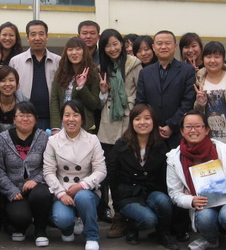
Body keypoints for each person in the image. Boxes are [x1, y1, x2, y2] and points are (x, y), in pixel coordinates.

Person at [166, 111, 226, 250]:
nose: (193, 130)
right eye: (188, 127)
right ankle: (211, 240)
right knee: (205, 218)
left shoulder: (224, 150)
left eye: (198, 126)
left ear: (207, 130)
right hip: (203, 204)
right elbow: (174, 193)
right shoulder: (174, 158)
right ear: (182, 131)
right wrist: (191, 200)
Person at [107, 104, 178, 249]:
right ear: (132, 122)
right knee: (148, 220)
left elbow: (164, 177)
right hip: (127, 195)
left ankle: (163, 234)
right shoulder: (121, 146)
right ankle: (131, 226)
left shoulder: (160, 146)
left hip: (151, 192)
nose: (142, 122)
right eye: (137, 119)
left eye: (147, 118)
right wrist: (116, 205)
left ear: (154, 122)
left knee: (164, 202)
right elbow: (112, 176)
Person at [43, 100, 107, 250]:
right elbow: (48, 171)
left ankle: (91, 235)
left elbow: (101, 170)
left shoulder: (92, 140)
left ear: (82, 119)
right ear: (62, 118)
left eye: (75, 115)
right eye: (67, 115)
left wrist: (82, 185)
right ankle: (68, 228)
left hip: (86, 191)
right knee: (62, 219)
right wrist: (60, 194)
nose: (71, 119)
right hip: (63, 190)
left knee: (83, 197)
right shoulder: (52, 141)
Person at [97, 29, 142, 237]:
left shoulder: (133, 64)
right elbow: (98, 102)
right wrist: (103, 92)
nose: (112, 48)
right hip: (108, 124)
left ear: (122, 44)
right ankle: (115, 214)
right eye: (108, 45)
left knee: (129, 171)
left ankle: (128, 216)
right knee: (110, 171)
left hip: (129, 122)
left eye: (115, 44)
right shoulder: (102, 67)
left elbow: (141, 93)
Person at [0, 101, 52, 246]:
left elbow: (49, 165)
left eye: (29, 115)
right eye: (21, 115)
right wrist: (11, 190)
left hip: (38, 186)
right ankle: (19, 226)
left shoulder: (44, 138)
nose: (25, 119)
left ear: (35, 119)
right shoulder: (2, 139)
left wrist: (36, 180)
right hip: (15, 190)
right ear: (14, 119)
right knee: (20, 217)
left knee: (42, 195)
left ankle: (40, 230)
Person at [136, 30, 196, 149]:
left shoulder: (187, 70)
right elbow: (141, 103)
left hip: (178, 133)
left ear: (175, 46)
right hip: (151, 132)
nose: (163, 47)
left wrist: (171, 126)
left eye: (167, 43)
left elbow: (188, 102)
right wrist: (153, 125)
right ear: (154, 47)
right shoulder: (145, 73)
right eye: (159, 43)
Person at [9, 20, 61, 130]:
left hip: (51, 120)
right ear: (27, 38)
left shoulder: (58, 61)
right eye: (33, 34)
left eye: (41, 34)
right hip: (24, 119)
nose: (37, 38)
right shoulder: (15, 61)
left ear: (47, 36)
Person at [50, 37, 100, 133]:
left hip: (84, 126)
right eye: (70, 49)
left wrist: (81, 88)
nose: (74, 53)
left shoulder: (93, 72)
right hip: (63, 125)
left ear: (84, 51)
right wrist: (55, 127)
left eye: (78, 49)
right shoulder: (60, 72)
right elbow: (54, 100)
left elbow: (94, 104)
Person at [0, 65, 28, 143]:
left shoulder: (25, 103)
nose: (7, 84)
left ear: (17, 83)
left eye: (11, 80)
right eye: (3, 80)